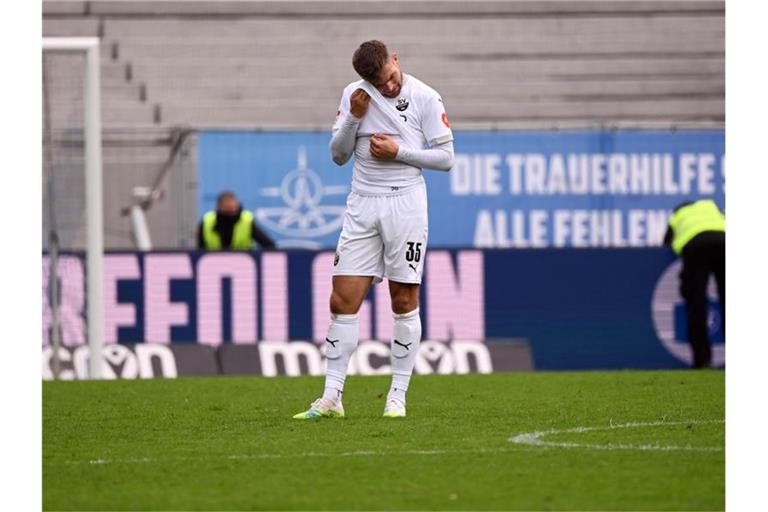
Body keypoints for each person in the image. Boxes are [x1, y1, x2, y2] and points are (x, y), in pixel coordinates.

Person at [293, 40, 455, 419]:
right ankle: (332, 397)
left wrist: (399, 152)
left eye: (390, 79)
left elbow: (446, 158)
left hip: (406, 203)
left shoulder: (426, 97)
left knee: (403, 300)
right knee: (341, 300)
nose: (388, 89)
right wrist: (352, 118)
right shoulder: (355, 95)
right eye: (379, 84)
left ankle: (396, 395)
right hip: (362, 204)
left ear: (395, 60)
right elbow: (337, 156)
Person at [663, 199, 725, 369]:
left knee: (696, 302)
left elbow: (666, 242)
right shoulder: (711, 206)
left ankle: (702, 360)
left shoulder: (678, 215)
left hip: (696, 247)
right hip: (724, 242)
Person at [197, 190, 276, 250]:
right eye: (227, 208)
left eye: (233, 208)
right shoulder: (207, 221)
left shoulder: (247, 220)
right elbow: (200, 248)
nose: (231, 212)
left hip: (243, 267)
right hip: (213, 265)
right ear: (219, 207)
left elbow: (269, 245)